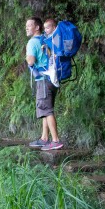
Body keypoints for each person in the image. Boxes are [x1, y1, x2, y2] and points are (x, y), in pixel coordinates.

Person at [25, 16, 63, 150]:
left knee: (46, 110)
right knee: (46, 108)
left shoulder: (32, 42)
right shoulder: (47, 39)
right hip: (53, 79)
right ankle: (44, 138)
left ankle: (56, 140)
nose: (27, 28)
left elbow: (30, 61)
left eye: (29, 25)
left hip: (43, 80)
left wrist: (28, 58)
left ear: (37, 27)